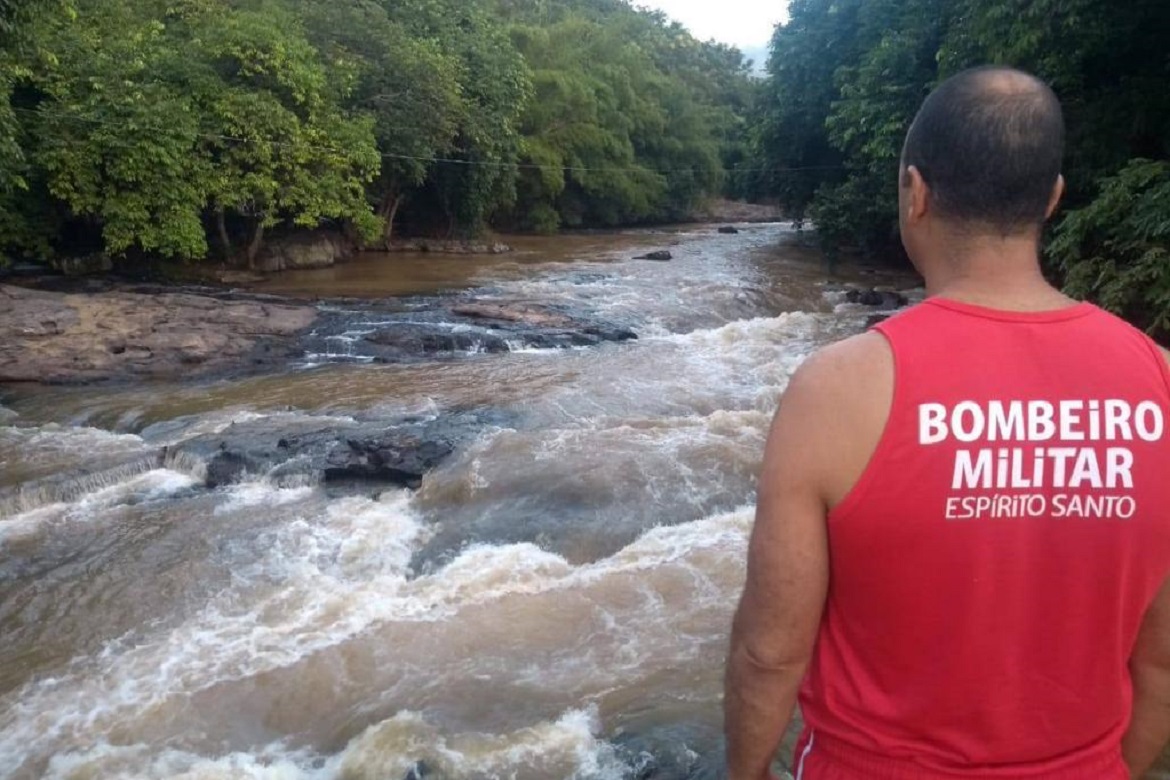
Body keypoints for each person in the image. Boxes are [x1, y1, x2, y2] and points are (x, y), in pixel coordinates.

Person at [724, 65, 1170, 780]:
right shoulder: (1160, 380)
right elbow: (1161, 662)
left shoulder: (836, 388)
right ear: (1053, 199)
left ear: (917, 193)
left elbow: (770, 651)